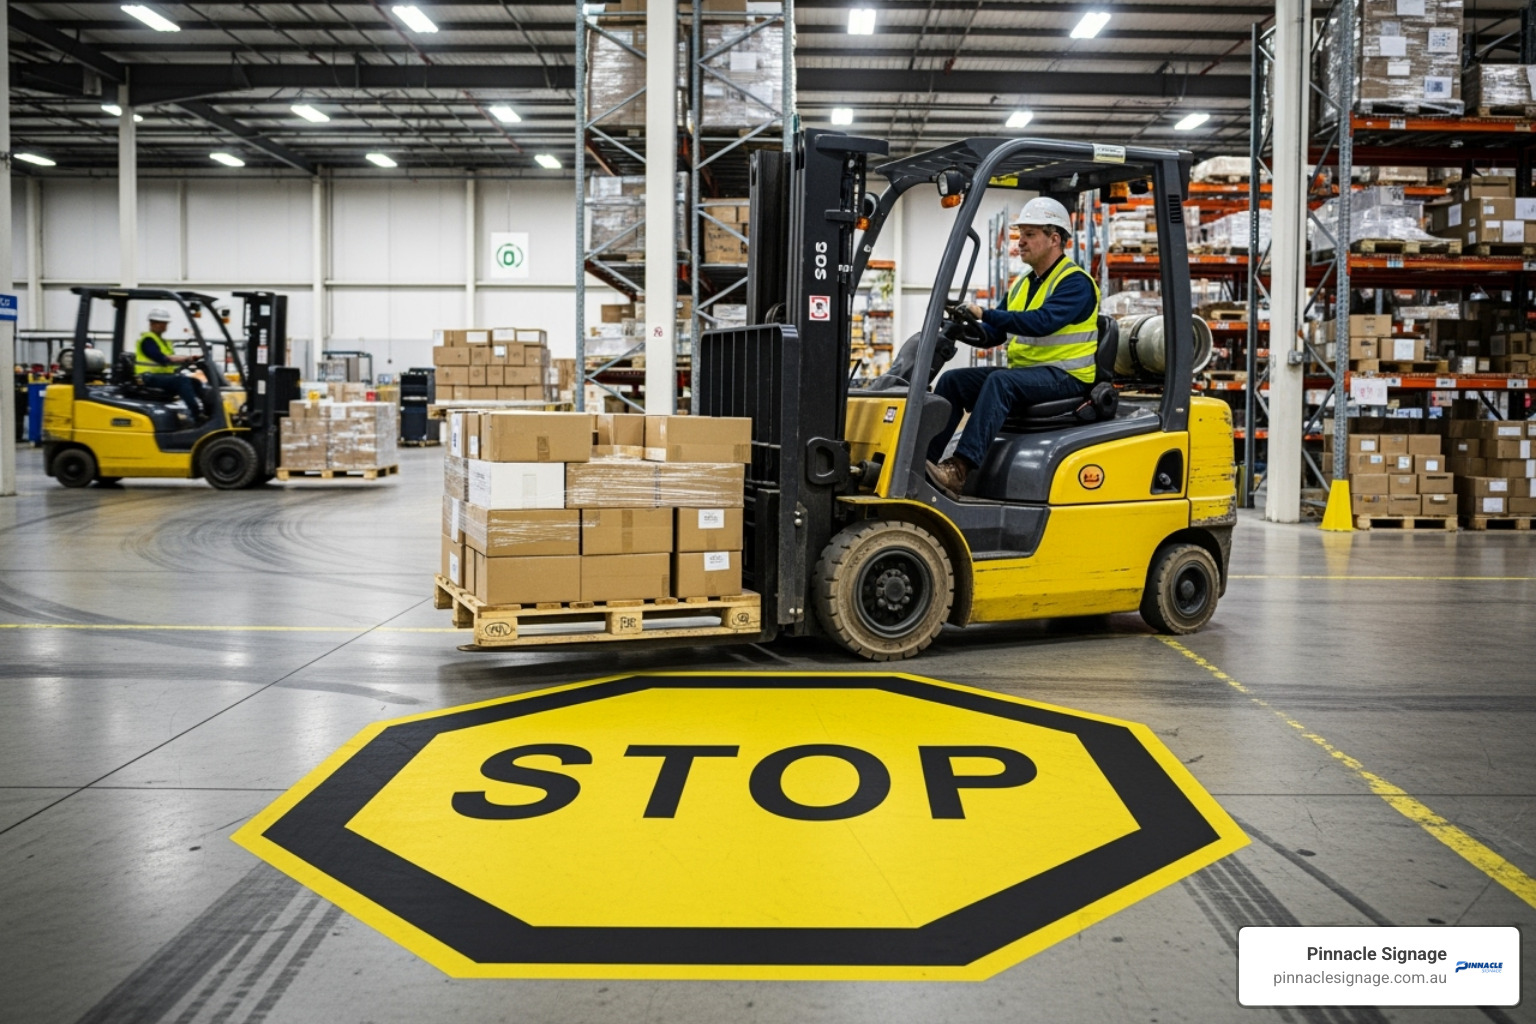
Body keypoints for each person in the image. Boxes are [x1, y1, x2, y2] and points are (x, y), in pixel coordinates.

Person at [925, 196, 1101, 497]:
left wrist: (986, 313)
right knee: (953, 381)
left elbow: (1041, 322)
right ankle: (923, 461)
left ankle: (958, 470)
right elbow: (994, 333)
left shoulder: (1076, 283)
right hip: (1032, 374)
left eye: (1030, 235)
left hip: (1067, 377)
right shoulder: (1023, 283)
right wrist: (964, 325)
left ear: (1054, 238)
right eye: (1021, 235)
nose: (1021, 242)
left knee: (1000, 381)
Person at [134, 307, 205, 421]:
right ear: (152, 323)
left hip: (161, 376)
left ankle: (207, 411)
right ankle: (196, 414)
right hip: (147, 377)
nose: (163, 325)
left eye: (165, 323)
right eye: (160, 323)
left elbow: (171, 362)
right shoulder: (148, 340)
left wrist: (187, 363)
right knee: (182, 380)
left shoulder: (163, 341)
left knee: (195, 382)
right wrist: (187, 358)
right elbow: (162, 359)